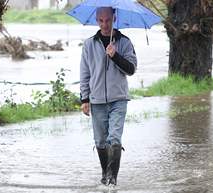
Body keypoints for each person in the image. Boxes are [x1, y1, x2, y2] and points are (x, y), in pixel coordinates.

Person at [79, 7, 137, 186]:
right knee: (100, 141)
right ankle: (105, 173)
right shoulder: (89, 44)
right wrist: (84, 99)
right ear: (97, 20)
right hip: (96, 101)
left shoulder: (125, 42)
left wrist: (115, 56)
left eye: (108, 20)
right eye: (101, 21)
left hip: (118, 99)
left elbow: (131, 69)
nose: (104, 25)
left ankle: (112, 178)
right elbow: (85, 73)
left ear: (114, 18)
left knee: (114, 139)